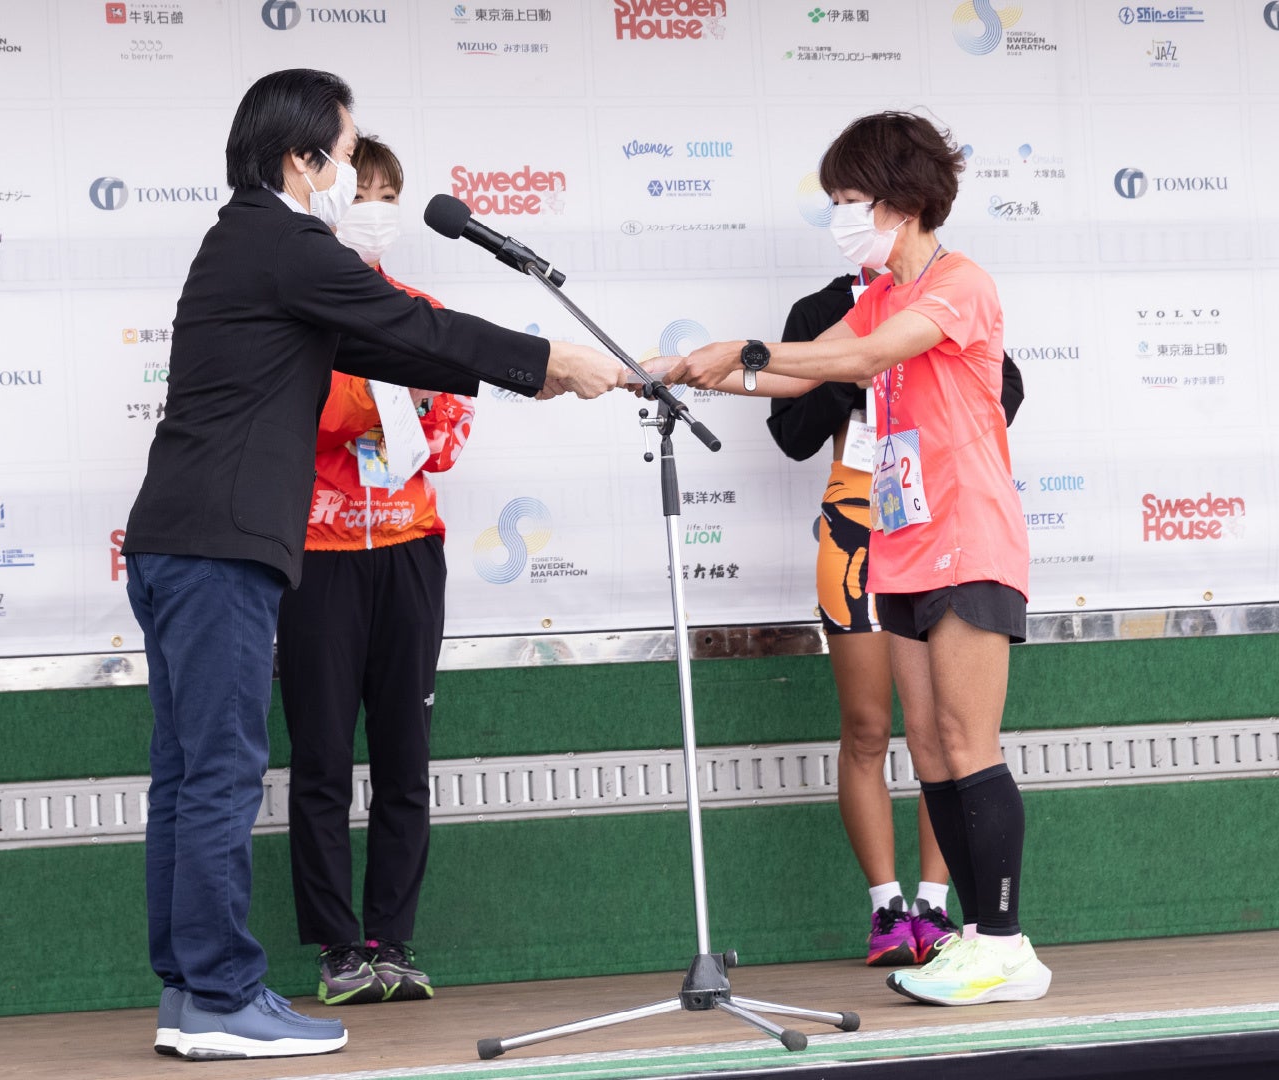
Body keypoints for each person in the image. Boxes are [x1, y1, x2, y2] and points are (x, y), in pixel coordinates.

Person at [122, 69, 624, 1061]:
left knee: (187, 775)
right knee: (217, 773)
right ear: (301, 157)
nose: (355, 178)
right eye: (348, 157)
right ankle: (221, 993)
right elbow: (409, 323)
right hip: (219, 546)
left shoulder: (249, 242)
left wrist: (526, 379)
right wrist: (548, 360)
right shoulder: (285, 241)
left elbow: (386, 348)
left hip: (180, 541)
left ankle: (190, 993)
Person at [647, 111, 1049, 1006]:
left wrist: (745, 349)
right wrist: (682, 369)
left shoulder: (959, 285)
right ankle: (972, 940)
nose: (840, 216)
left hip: (968, 536)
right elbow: (815, 371)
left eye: (851, 199)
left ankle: (1005, 942)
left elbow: (867, 354)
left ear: (903, 203)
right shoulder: (879, 295)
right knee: (929, 748)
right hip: (898, 544)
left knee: (968, 741)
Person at [770, 276, 1025, 969]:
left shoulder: (942, 293)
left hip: (932, 511)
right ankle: (886, 905)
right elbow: (791, 433)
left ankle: (938, 904)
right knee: (867, 726)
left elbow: (1004, 390)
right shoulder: (823, 311)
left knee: (945, 731)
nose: (859, 226)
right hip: (856, 517)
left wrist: (909, 390)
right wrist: (855, 374)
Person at [278, 135, 462, 1008]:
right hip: (316, 558)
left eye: (388, 195)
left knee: (404, 757)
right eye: (362, 193)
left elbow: (448, 438)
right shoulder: (295, 315)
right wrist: (378, 404)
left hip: (409, 549)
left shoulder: (423, 312)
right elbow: (299, 422)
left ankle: (393, 937)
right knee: (320, 757)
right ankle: (336, 947)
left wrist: (400, 411)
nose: (375, 210)